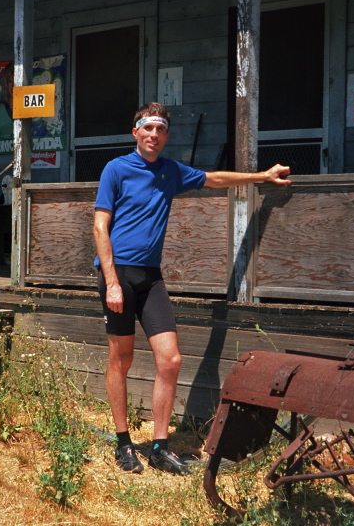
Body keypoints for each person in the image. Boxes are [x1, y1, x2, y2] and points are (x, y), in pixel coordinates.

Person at [93, 101, 292, 475]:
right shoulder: (115, 169)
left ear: (166, 136)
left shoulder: (171, 171)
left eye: (161, 130)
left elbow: (214, 178)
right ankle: (123, 443)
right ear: (135, 132)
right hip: (117, 274)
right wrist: (113, 284)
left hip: (150, 276)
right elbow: (100, 227)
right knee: (122, 359)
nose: (154, 135)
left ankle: (159, 446)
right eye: (147, 128)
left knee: (170, 359)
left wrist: (262, 177)